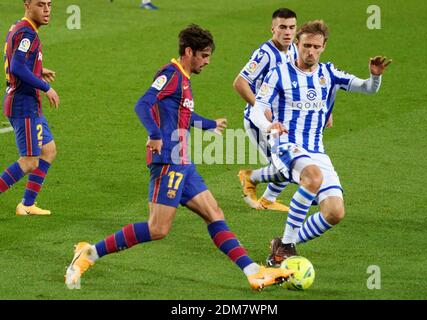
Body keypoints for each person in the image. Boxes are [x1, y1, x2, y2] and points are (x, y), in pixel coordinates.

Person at [64, 24, 293, 290]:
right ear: (189, 51)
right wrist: (154, 134)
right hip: (167, 160)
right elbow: (143, 103)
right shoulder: (171, 74)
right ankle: (88, 253)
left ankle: (254, 272)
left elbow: (182, 113)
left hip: (183, 160)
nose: (207, 62)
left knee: (214, 213)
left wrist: (208, 124)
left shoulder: (183, 78)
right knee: (158, 229)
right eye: (204, 55)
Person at [248, 20, 391, 266]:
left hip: (317, 150)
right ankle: (283, 252)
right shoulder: (279, 73)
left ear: (324, 47)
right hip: (285, 143)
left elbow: (368, 89)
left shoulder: (329, 73)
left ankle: (283, 243)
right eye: (306, 46)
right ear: (297, 44)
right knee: (312, 178)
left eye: (316, 46)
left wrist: (374, 77)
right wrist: (268, 126)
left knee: (334, 212)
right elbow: (256, 111)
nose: (310, 51)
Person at [234, 9, 333, 212]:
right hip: (259, 121)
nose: (287, 32)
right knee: (286, 163)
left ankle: (269, 196)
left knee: (290, 162)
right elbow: (240, 83)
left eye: (291, 27)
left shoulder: (295, 50)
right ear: (273, 29)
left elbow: (310, 81)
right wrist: (261, 108)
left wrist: (324, 109)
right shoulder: (265, 54)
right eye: (282, 27)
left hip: (285, 120)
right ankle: (255, 182)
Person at [0, 0, 60, 215]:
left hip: (28, 103)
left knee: (48, 150)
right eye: (40, 4)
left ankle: (27, 204)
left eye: (49, 4)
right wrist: (46, 87)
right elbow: (16, 66)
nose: (46, 10)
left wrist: (37, 69)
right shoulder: (28, 33)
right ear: (27, 5)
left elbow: (16, 59)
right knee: (29, 161)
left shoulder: (19, 26)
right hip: (23, 104)